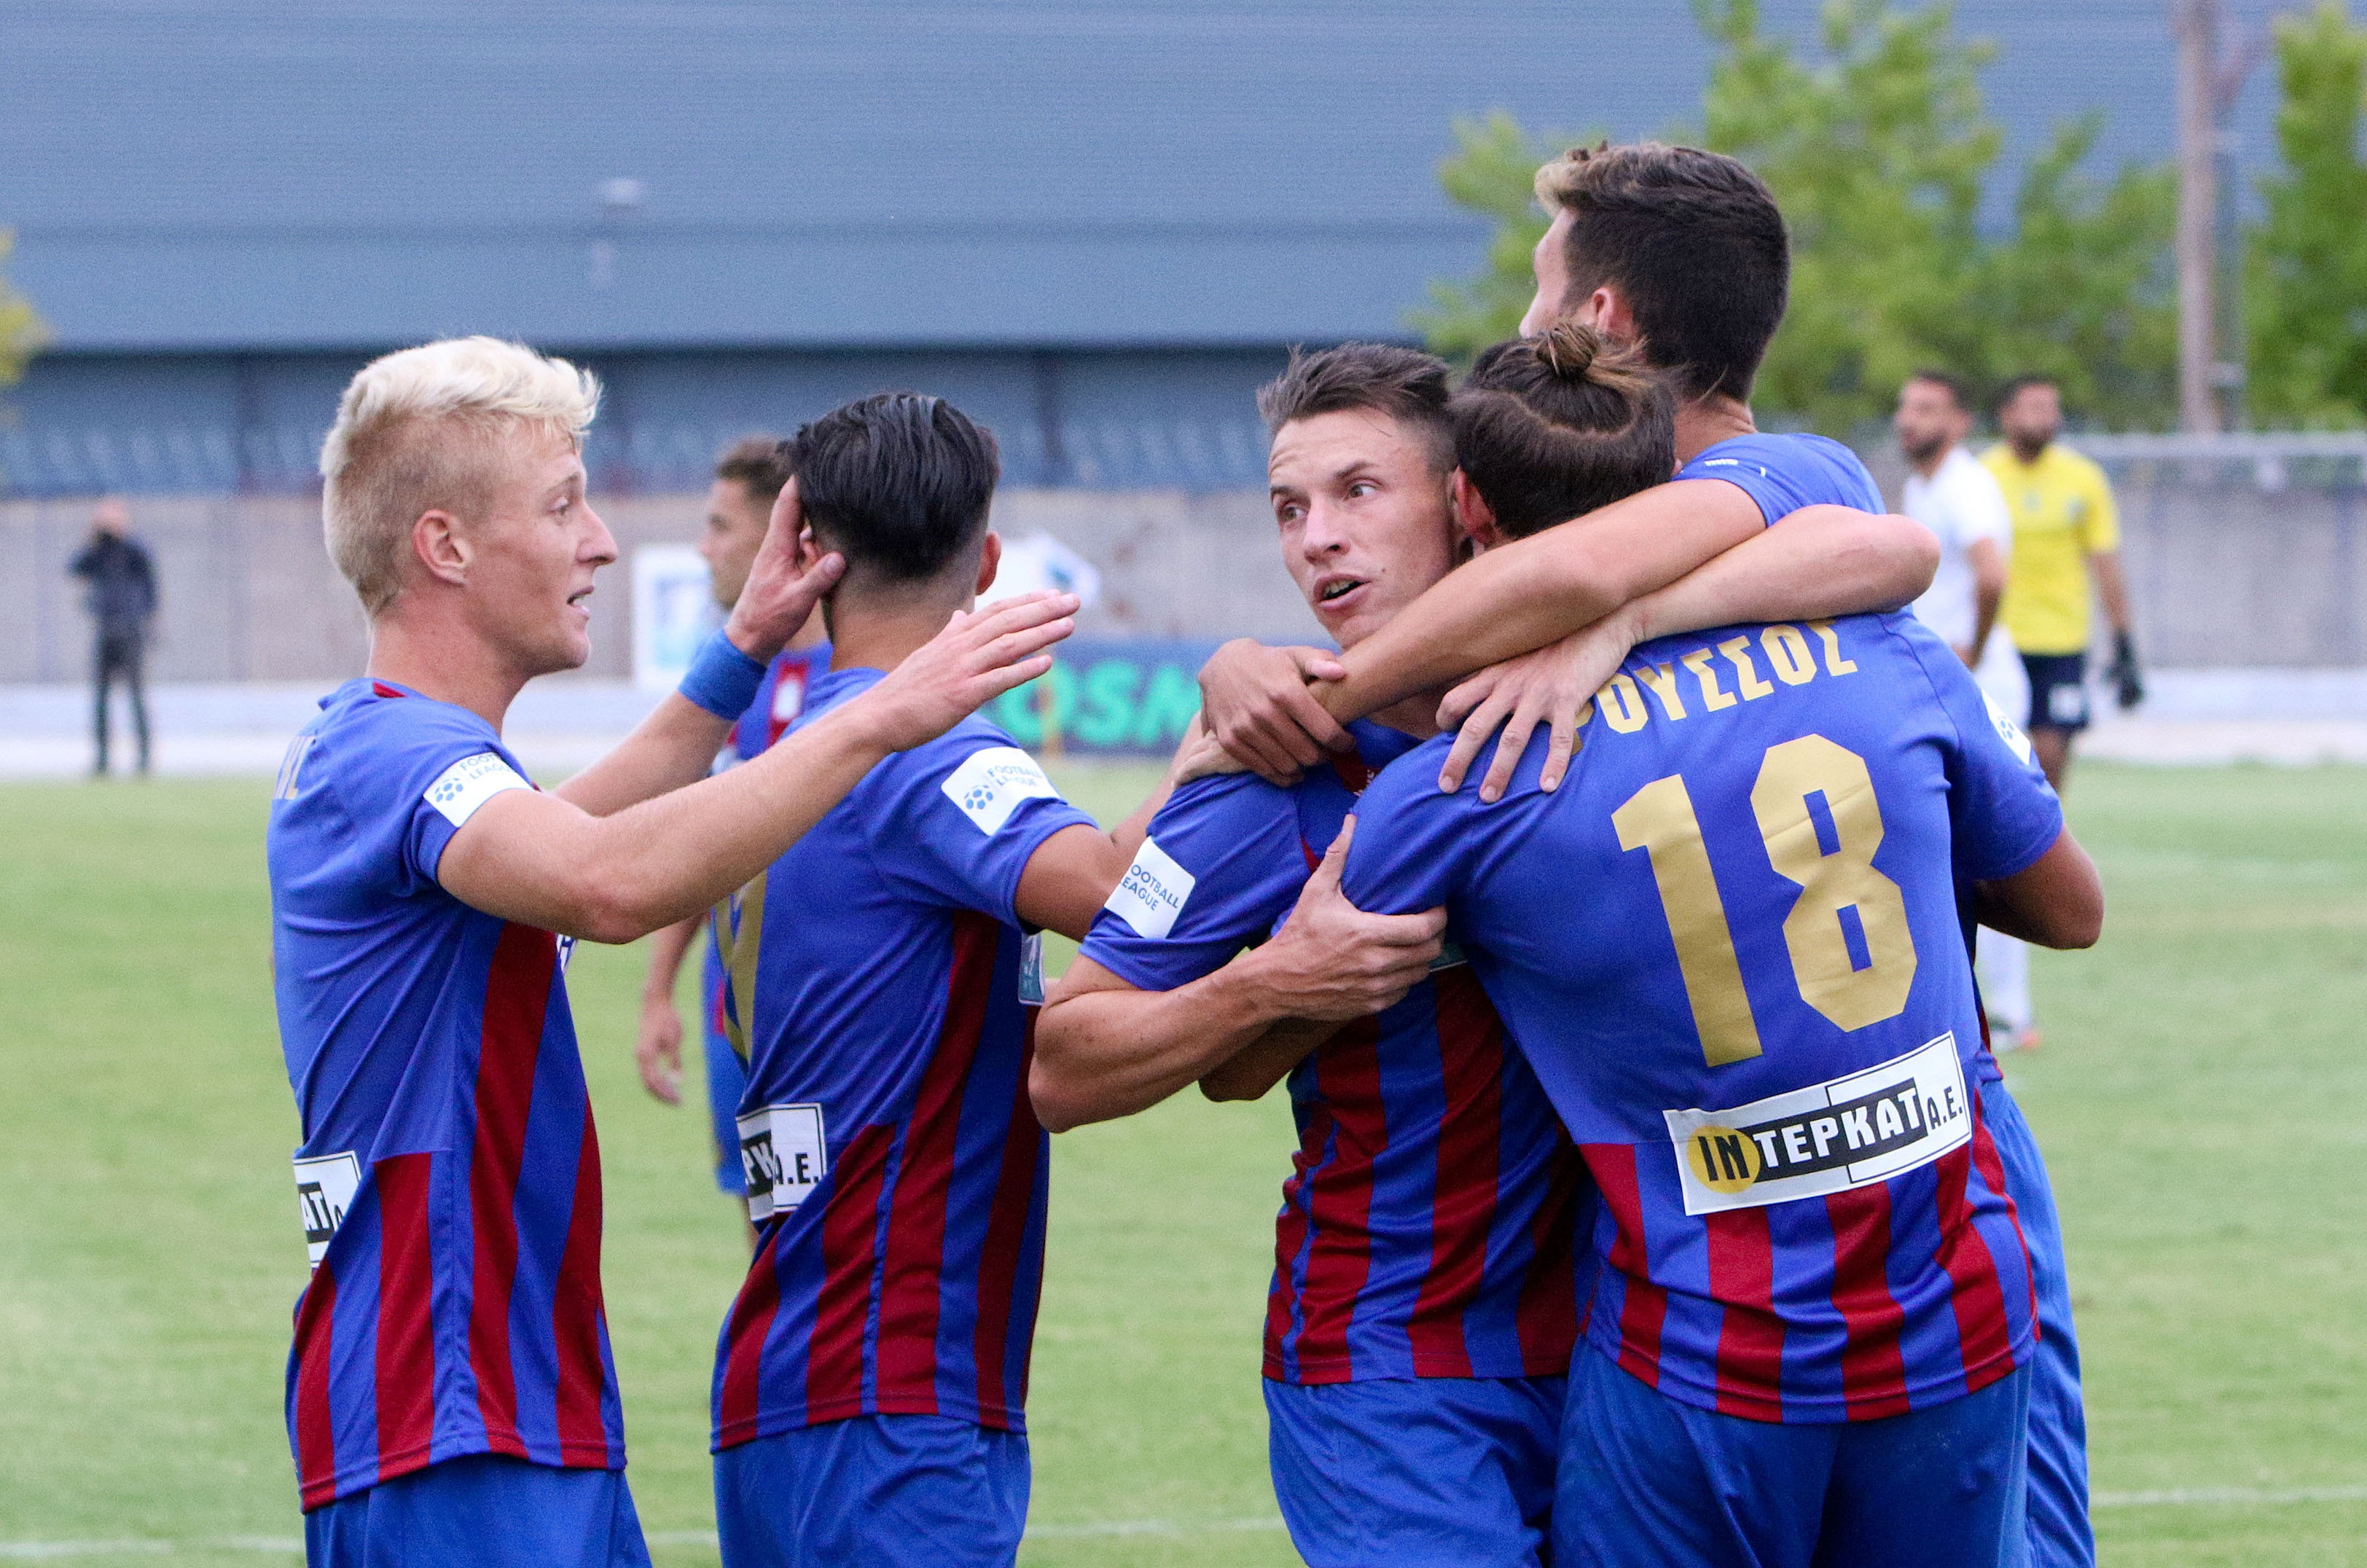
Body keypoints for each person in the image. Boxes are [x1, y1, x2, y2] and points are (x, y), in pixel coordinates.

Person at [1200, 141, 2097, 1568]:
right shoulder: (1838, 562)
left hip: (1714, 1310)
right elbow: (1906, 592)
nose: (1523, 310)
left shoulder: (1472, 771)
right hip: (1945, 1214)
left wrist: (1311, 692)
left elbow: (1579, 577)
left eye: (1539, 280)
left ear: (1600, 318)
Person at [1033, 334, 1939, 1567]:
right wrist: (1271, 981)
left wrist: (1620, 617)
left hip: (1638, 1345)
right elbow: (1064, 1062)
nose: (1317, 539)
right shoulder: (1270, 773)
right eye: (1289, 508)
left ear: (1463, 503)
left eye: (1358, 491)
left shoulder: (1618, 698)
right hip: (1393, 1365)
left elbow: (1887, 551)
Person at [270, 339, 1074, 1568]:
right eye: (563, 506)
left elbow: (598, 819)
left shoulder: (401, 760)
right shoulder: (393, 757)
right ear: (445, 546)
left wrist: (745, 648)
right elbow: (609, 881)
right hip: (448, 1402)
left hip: (503, 1400)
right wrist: (884, 712)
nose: (599, 542)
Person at [705, 393, 1194, 1568]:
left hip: (792, 1370)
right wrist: (1215, 750)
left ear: (807, 551)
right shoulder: (923, 751)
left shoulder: (789, 754)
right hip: (892, 1380)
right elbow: (1119, 894)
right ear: (985, 561)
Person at [635, 436, 834, 1239]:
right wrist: (658, 991)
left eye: (721, 526)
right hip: (734, 1015)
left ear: (785, 538)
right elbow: (702, 839)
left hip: (828, 1018)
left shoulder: (867, 682)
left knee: (827, 1239)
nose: (703, 546)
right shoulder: (725, 684)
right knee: (764, 1230)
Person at [1894, 371, 2037, 1051]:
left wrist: (1970, 653)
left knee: (1994, 851)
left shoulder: (1965, 485)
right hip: (1944, 686)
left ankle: (2010, 1012)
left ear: (1958, 421)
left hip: (1981, 684)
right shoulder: (1920, 488)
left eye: (1927, 408)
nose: (1909, 418)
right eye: (1905, 406)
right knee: (1939, 850)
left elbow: (1992, 573)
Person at [1984, 376, 2143, 791]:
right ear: (2007, 415)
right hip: (1998, 642)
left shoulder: (2083, 478)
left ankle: (2049, 831)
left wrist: (2124, 643)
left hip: (2062, 641)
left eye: (2052, 409)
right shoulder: (1981, 477)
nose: (2047, 418)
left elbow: (2106, 564)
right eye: (2035, 408)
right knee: (1994, 755)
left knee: (2053, 753)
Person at [69, 496, 158, 776]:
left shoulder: (134, 549)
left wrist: (146, 622)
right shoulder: (98, 550)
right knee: (101, 697)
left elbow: (151, 588)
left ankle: (144, 758)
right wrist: (94, 536)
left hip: (130, 630)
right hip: (105, 629)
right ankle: (102, 759)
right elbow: (75, 568)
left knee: (136, 695)